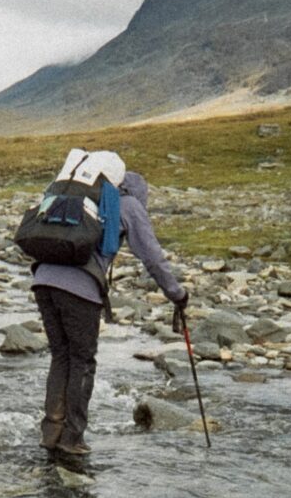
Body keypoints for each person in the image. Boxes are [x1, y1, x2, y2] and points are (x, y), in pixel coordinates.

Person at [32, 170, 188, 455]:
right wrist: (177, 294)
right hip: (79, 289)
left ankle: (51, 432)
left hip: (42, 280)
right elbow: (152, 257)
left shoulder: (80, 197)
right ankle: (72, 439)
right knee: (82, 361)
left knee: (61, 356)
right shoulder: (128, 205)